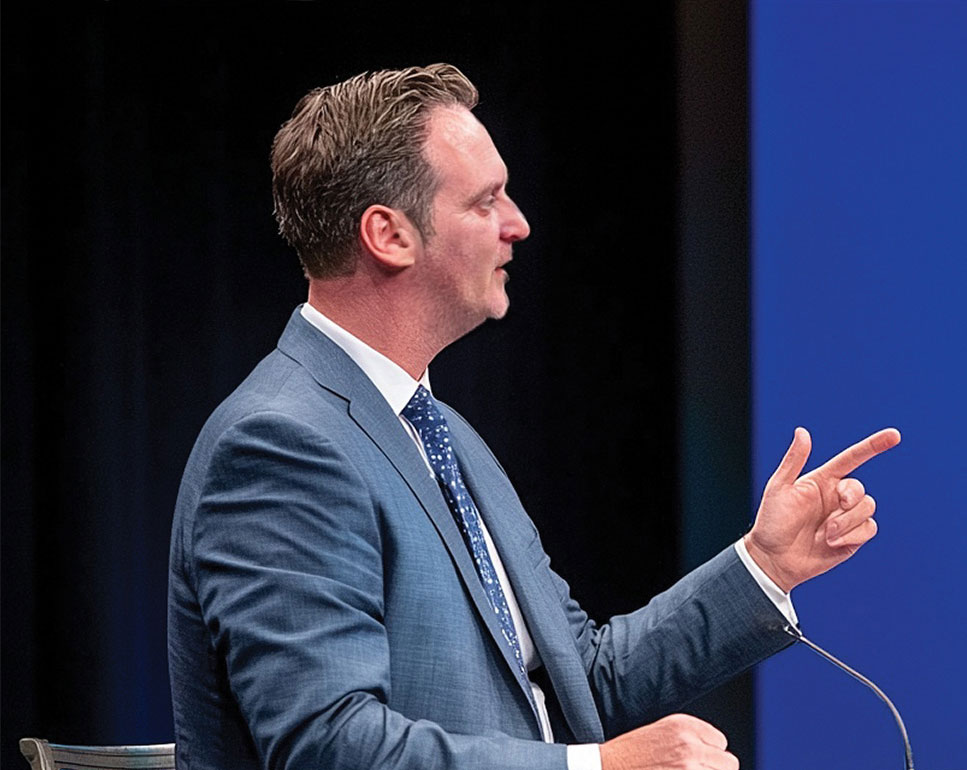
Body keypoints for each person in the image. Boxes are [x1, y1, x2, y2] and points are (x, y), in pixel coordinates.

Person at [167, 63, 900, 770]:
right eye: (485, 202)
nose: (517, 225)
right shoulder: (281, 443)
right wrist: (598, 767)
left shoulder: (441, 432)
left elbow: (584, 677)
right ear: (389, 235)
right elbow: (330, 746)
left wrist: (764, 564)